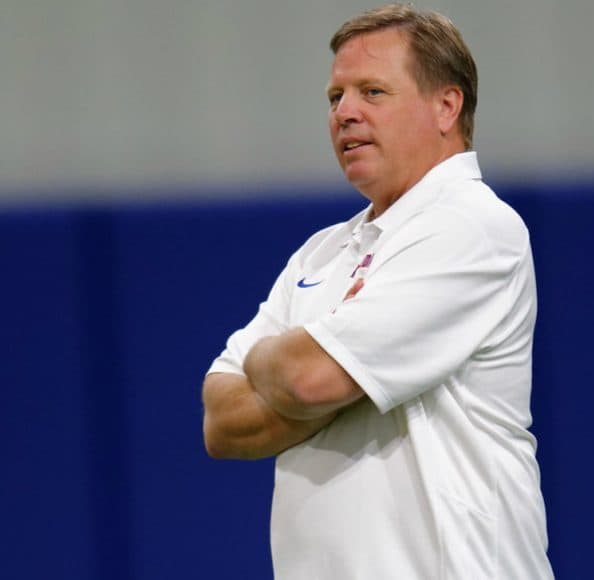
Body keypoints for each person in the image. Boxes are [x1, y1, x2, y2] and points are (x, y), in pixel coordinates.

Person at [201, 4, 554, 579]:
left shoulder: (471, 224)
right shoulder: (321, 253)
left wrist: (287, 365)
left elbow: (309, 379)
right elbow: (222, 421)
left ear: (446, 106)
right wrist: (332, 374)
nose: (345, 113)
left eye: (372, 92)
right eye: (335, 97)